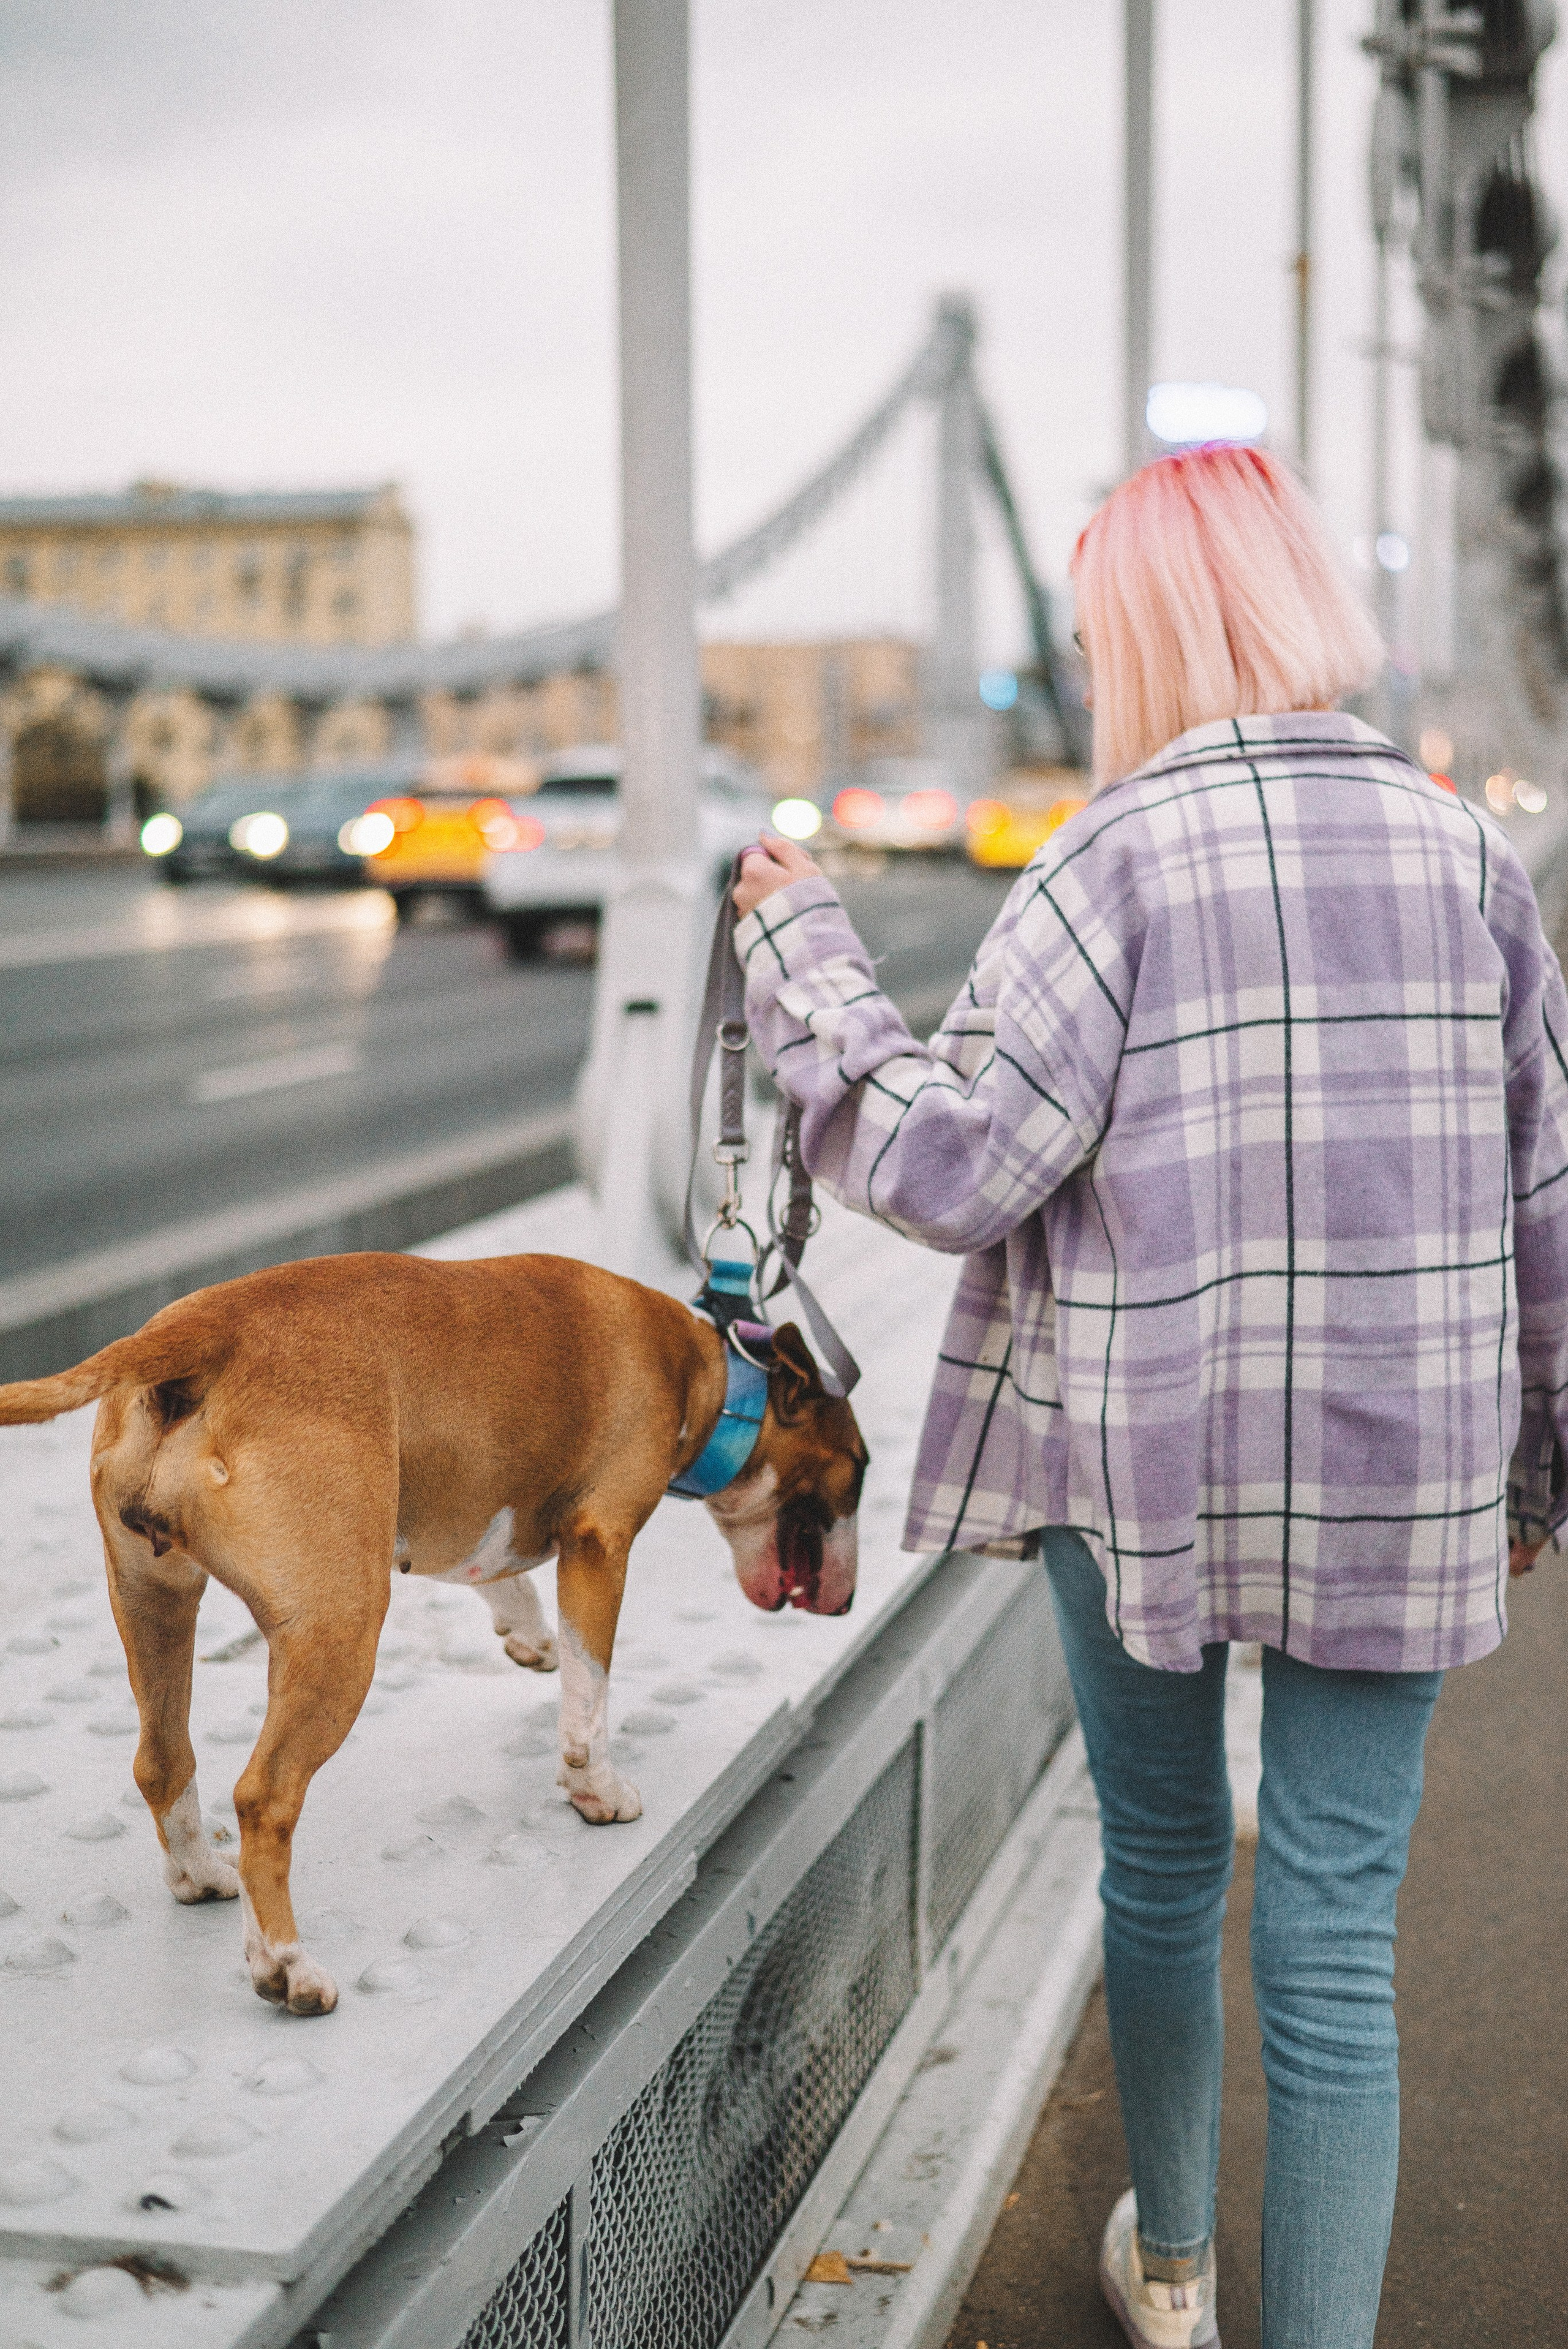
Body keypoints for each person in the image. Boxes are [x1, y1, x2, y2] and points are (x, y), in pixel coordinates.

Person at [730, 442, 1568, 2349]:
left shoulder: (1104, 860)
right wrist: (1541, 1453)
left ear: (1146, 632)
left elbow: (951, 1174)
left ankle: (1173, 2275)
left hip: (1145, 1469)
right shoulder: (1469, 860)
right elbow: (1548, 1192)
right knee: (1338, 1939)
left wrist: (808, 954)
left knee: (1167, 1864)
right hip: (1401, 1459)